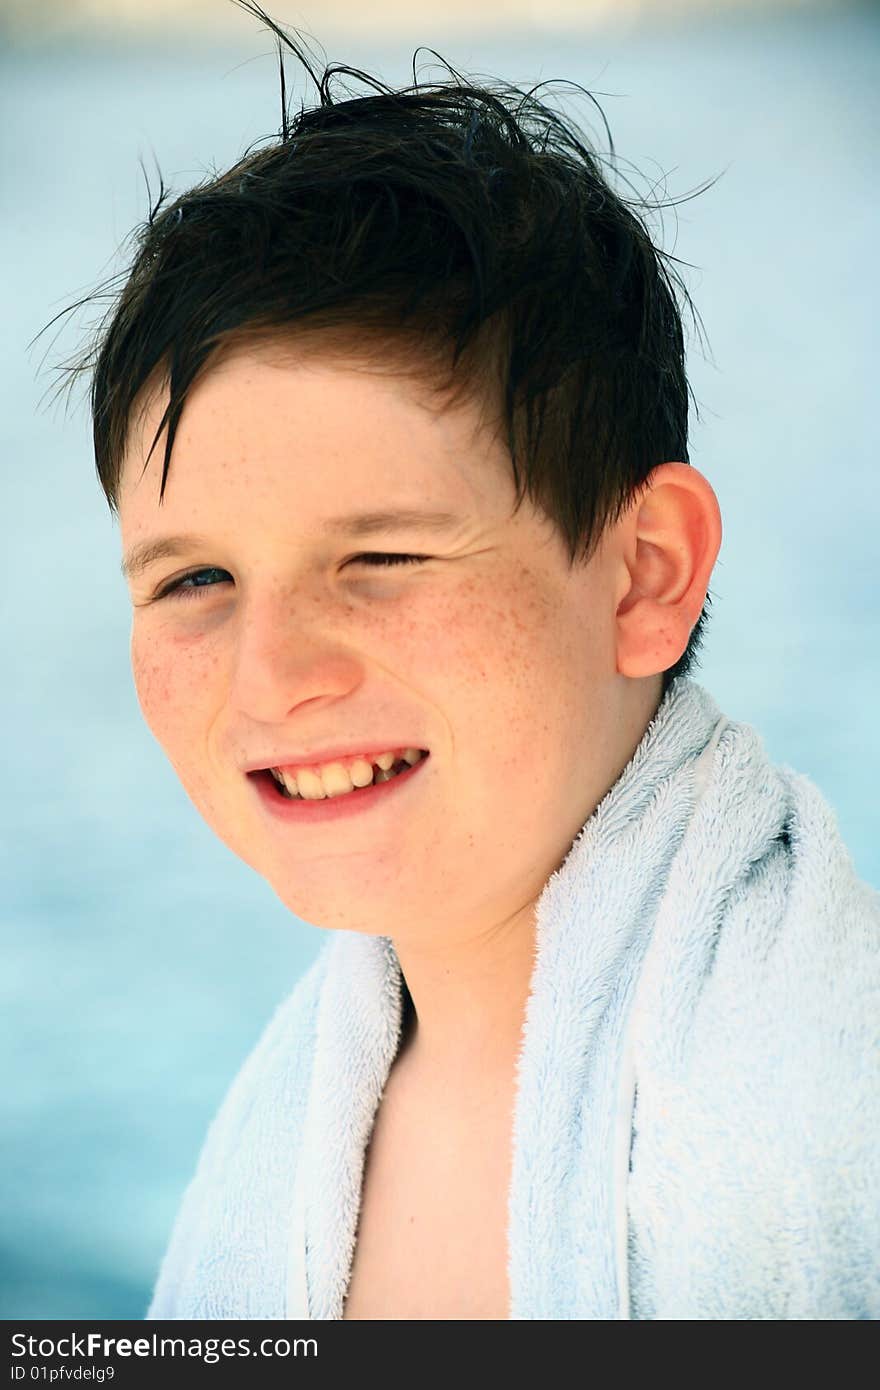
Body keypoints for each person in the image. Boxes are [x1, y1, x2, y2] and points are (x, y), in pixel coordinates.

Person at [58, 4, 879, 1320]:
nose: (272, 676)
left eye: (381, 558)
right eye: (196, 578)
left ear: (644, 571)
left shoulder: (822, 1101)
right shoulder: (293, 1124)